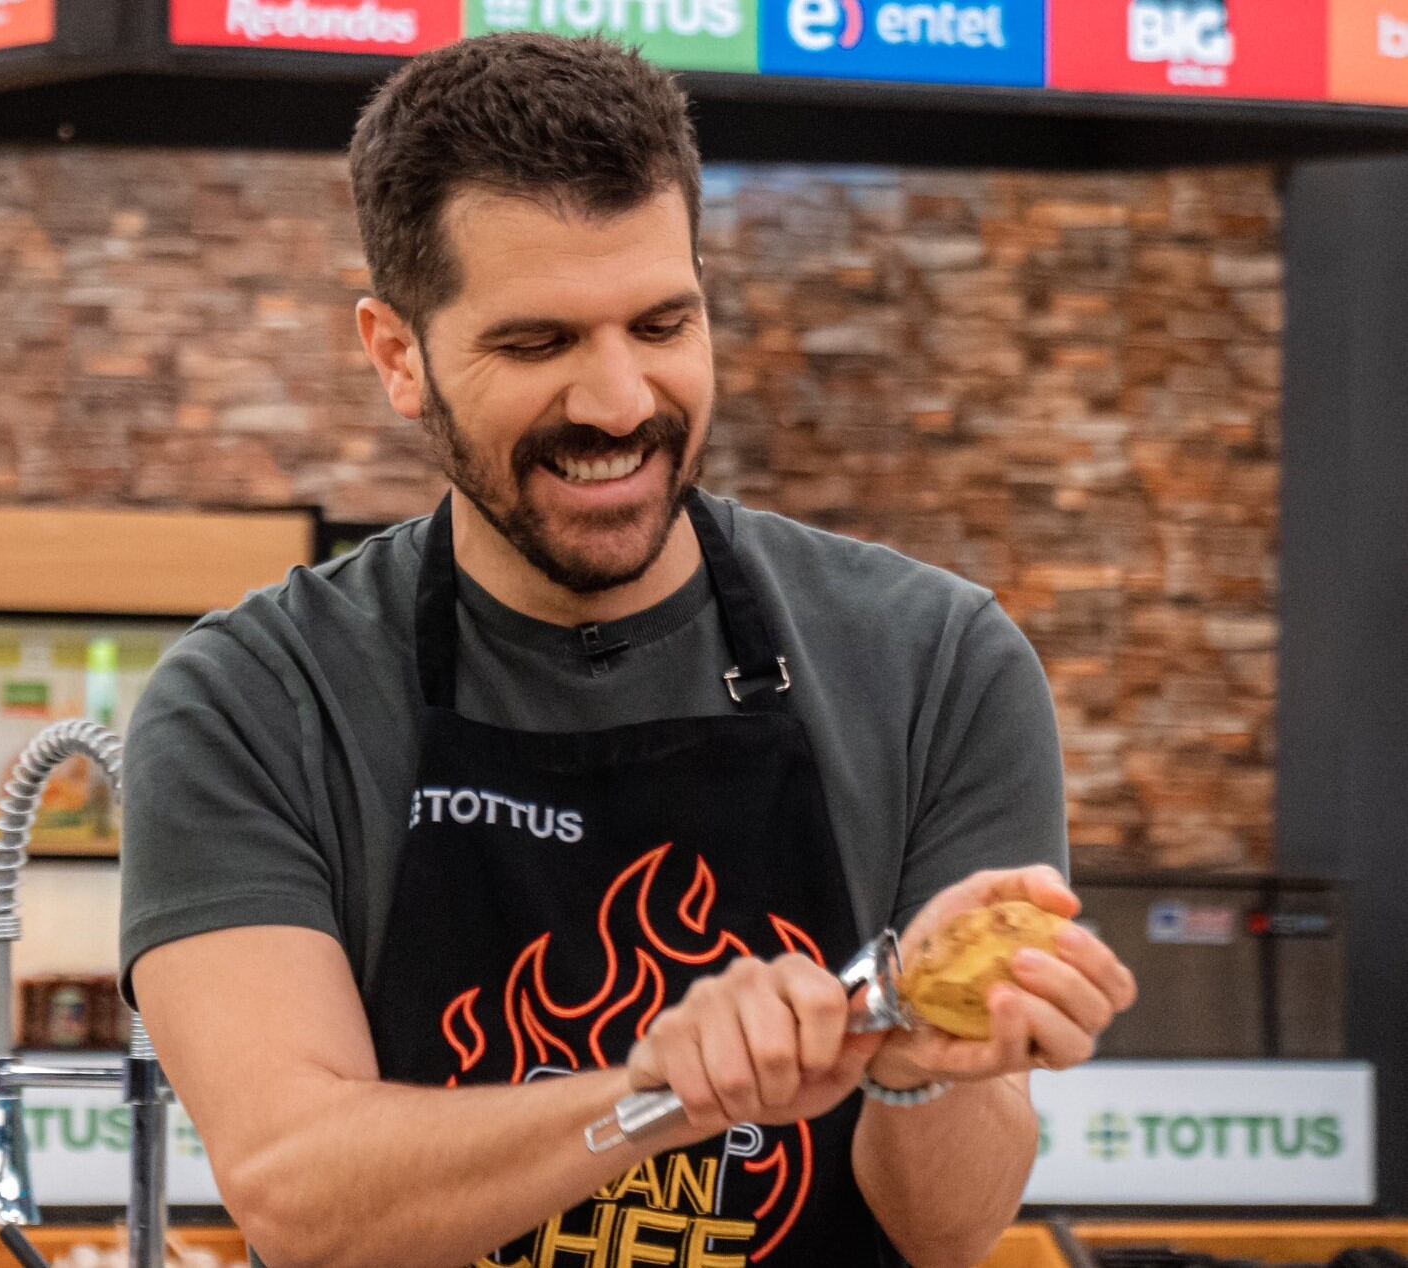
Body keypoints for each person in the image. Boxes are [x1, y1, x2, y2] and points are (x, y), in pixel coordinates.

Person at [120, 32, 1137, 1268]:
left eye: (662, 322)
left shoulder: (938, 665)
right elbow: (301, 1193)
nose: (618, 402)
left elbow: (948, 1228)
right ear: (398, 356)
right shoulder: (256, 702)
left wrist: (920, 1066)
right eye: (538, 343)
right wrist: (662, 1091)